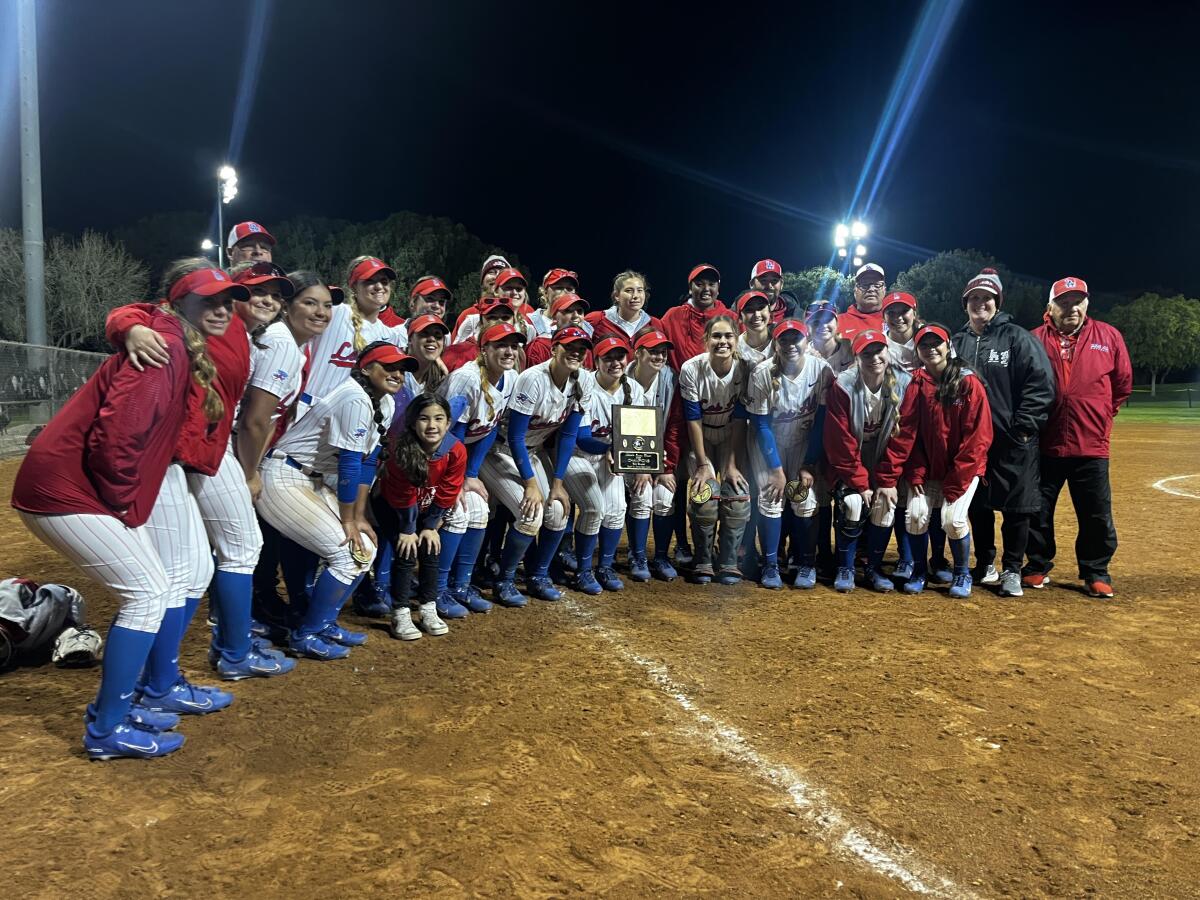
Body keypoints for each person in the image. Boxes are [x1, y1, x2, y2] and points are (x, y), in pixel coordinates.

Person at [11, 260, 241, 759]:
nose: (222, 309)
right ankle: (106, 730)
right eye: (209, 300)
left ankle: (131, 703)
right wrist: (121, 506)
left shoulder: (176, 340)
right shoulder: (167, 348)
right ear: (179, 303)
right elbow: (117, 439)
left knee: (162, 585)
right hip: (63, 488)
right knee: (148, 592)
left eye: (228, 300)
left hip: (76, 484)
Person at [106, 261, 299, 683]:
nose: (266, 299)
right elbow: (141, 312)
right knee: (231, 551)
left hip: (199, 453)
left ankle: (189, 665)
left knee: (198, 566)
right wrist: (128, 327)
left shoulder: (241, 333)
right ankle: (228, 653)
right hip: (182, 455)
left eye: (275, 293)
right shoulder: (213, 322)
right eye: (254, 290)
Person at [256, 341, 412, 659]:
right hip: (284, 476)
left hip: (308, 480)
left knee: (363, 550)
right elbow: (350, 463)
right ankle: (306, 633)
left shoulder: (386, 402)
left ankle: (321, 622)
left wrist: (358, 516)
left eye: (401, 368)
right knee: (348, 554)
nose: (397, 373)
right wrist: (348, 520)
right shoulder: (354, 396)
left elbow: (368, 462)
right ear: (366, 369)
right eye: (389, 366)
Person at [1024, 277, 1132, 598]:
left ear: (1086, 303)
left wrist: (1099, 416)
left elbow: (1122, 384)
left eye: (1077, 301)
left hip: (1091, 444)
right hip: (1046, 442)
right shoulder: (1032, 340)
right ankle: (1037, 565)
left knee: (1096, 512)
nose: (1070, 307)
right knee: (1037, 510)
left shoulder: (1108, 336)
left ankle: (1096, 570)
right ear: (1050, 306)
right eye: (1063, 301)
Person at [954, 268, 1055, 597]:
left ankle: (1012, 568)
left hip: (1012, 440)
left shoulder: (1017, 337)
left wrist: (1023, 427)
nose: (980, 303)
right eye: (974, 298)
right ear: (966, 303)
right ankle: (985, 563)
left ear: (997, 302)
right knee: (978, 506)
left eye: (987, 298)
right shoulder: (957, 343)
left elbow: (1040, 385)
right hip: (973, 443)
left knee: (1017, 507)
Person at [876, 324, 993, 598]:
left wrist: (956, 480)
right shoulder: (917, 382)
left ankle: (962, 573)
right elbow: (908, 433)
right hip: (928, 469)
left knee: (952, 520)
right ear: (917, 351)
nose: (931, 349)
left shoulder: (968, 382)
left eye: (936, 343)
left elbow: (978, 438)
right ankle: (919, 571)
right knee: (915, 516)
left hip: (964, 468)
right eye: (924, 345)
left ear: (948, 345)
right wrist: (915, 472)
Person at [479, 326, 592, 606]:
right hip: (501, 450)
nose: (575, 352)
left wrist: (557, 484)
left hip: (534, 450)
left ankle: (538, 575)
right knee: (531, 513)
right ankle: (504, 580)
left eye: (581, 348)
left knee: (557, 511)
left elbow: (567, 435)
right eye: (569, 346)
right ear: (554, 349)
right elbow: (516, 436)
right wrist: (531, 484)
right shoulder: (533, 379)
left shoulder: (583, 381)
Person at [435, 322, 525, 613]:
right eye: (500, 345)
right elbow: (451, 435)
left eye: (513, 345)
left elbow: (489, 428)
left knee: (479, 509)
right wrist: (457, 478)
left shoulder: (509, 378)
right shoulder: (466, 379)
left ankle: (460, 584)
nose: (509, 351)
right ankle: (437, 588)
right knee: (456, 512)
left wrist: (472, 474)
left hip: (460, 457)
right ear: (483, 350)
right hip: (437, 456)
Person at [823, 330, 912, 592]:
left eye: (878, 350)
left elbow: (904, 437)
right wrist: (861, 483)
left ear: (888, 352)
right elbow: (840, 441)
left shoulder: (904, 383)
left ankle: (872, 567)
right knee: (852, 503)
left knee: (886, 502)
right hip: (853, 459)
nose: (874, 357)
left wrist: (886, 480)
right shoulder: (843, 385)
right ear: (856, 357)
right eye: (866, 352)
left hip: (886, 457)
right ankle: (846, 566)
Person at [745, 320, 831, 589]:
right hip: (768, 444)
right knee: (771, 499)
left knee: (804, 500)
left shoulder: (821, 370)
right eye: (784, 339)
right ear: (776, 343)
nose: (791, 345)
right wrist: (775, 469)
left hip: (804, 442)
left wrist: (808, 464)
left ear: (807, 341)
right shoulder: (762, 373)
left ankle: (806, 563)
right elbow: (760, 424)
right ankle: (771, 564)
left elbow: (821, 421)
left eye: (797, 338)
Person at [373, 394, 466, 640]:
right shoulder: (400, 449)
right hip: (392, 507)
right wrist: (408, 529)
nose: (432, 425)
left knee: (431, 547)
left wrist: (432, 526)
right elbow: (402, 496)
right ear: (413, 423)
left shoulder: (455, 450)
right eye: (424, 419)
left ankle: (428, 608)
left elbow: (449, 490)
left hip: (425, 506)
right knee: (407, 552)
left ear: (448, 423)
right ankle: (400, 612)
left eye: (439, 419)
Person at [565, 336, 643, 593]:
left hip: (609, 455)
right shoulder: (585, 384)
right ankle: (583, 571)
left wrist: (634, 462)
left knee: (617, 508)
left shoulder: (634, 389)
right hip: (577, 455)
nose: (615, 362)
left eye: (619, 357)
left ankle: (605, 567)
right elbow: (582, 437)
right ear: (595, 361)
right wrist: (612, 450)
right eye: (607, 357)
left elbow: (638, 434)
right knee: (593, 509)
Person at [680, 314, 751, 584]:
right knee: (705, 492)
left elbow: (740, 419)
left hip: (731, 434)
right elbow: (693, 419)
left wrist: (731, 464)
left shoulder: (745, 368)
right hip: (701, 436)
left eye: (728, 336)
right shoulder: (692, 369)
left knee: (736, 491)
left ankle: (729, 560)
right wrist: (702, 463)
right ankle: (703, 558)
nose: (722, 341)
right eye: (716, 336)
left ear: (736, 339)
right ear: (706, 339)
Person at [300, 256, 406, 416]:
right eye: (370, 280)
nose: (379, 287)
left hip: (350, 417)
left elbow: (418, 329)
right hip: (310, 409)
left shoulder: (387, 335)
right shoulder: (336, 312)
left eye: (384, 281)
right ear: (354, 286)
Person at [626, 330, 683, 581]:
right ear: (638, 353)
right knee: (641, 494)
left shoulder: (670, 379)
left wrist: (666, 466)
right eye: (653, 351)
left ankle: (660, 555)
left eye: (663, 351)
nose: (659, 356)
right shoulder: (622, 377)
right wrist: (640, 466)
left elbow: (673, 426)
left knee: (664, 496)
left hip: (658, 454)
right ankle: (637, 554)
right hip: (622, 453)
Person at [660, 263, 732, 371]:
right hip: (683, 386)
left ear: (718, 289)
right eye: (699, 284)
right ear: (690, 288)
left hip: (722, 386)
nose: (706, 289)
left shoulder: (731, 317)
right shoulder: (673, 316)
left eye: (712, 284)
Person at [586, 270, 664, 344]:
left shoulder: (655, 324)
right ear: (617, 295)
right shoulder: (596, 320)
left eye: (640, 290)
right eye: (629, 290)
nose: (635, 296)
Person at [441, 299, 519, 372]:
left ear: (514, 321)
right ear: (481, 322)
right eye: (492, 317)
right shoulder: (456, 353)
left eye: (505, 317)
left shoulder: (518, 353)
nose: (499, 322)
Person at [526, 292, 594, 366]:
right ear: (554, 317)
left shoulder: (586, 347)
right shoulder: (540, 345)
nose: (576, 315)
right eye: (568, 311)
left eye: (579, 311)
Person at [380, 274, 452, 335]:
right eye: (430, 299)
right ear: (413, 303)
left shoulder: (446, 337)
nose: (436, 306)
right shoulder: (394, 335)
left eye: (441, 302)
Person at [839, 263, 887, 338]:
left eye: (877, 285)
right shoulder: (838, 322)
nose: (871, 289)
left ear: (884, 290)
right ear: (855, 291)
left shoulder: (895, 319)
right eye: (864, 285)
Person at [882, 291, 921, 373]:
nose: (898, 317)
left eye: (904, 311)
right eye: (891, 312)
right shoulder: (879, 345)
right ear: (883, 317)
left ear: (914, 313)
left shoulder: (931, 335)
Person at [735, 291, 775, 367]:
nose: (757, 315)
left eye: (761, 308)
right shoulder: (736, 348)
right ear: (740, 316)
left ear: (769, 311)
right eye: (749, 310)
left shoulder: (781, 342)